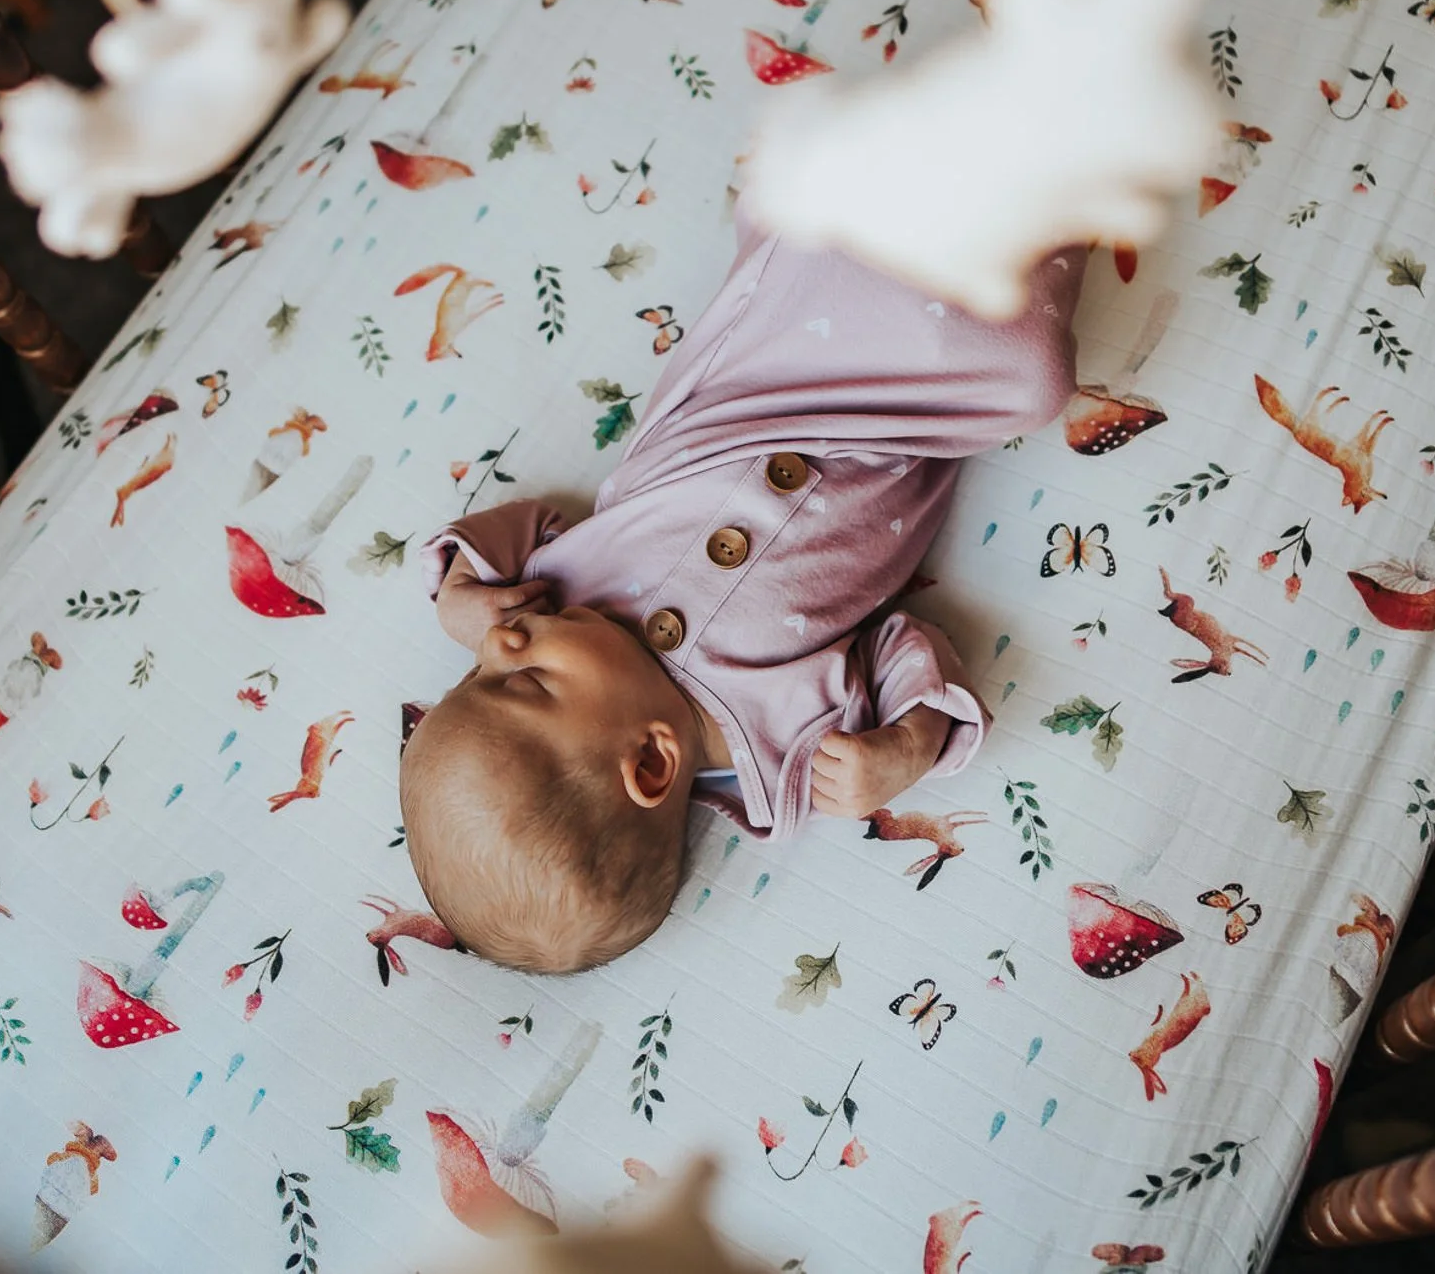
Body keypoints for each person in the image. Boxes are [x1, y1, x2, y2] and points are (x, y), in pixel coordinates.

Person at [399, 222, 1087, 973]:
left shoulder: (563, 596)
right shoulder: (787, 745)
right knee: (1030, 373)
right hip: (903, 411)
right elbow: (906, 653)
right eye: (523, 683)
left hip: (764, 356)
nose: (500, 643)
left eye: (474, 670)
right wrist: (907, 748)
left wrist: (459, 588)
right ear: (652, 761)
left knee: (821, 233)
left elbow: (527, 527)